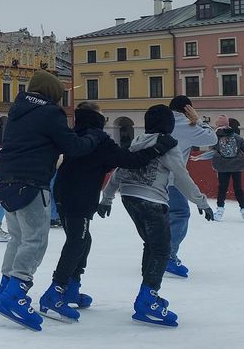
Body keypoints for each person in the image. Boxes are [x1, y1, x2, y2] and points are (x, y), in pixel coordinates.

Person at [0, 69, 103, 331]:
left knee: (18, 238)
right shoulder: (51, 113)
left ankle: (4, 288)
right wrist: (93, 137)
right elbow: (72, 146)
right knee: (35, 240)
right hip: (32, 183)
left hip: (6, 182)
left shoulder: (16, 112)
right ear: (52, 93)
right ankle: (16, 294)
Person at [44, 102, 176, 320]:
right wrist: (159, 147)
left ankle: (71, 287)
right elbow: (130, 161)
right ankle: (56, 291)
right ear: (95, 117)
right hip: (80, 196)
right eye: (103, 117)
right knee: (78, 241)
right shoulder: (99, 139)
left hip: (63, 193)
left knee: (82, 241)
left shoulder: (77, 135)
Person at [99, 105, 214, 326]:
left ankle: (147, 293)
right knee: (161, 249)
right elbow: (181, 176)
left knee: (151, 245)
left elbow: (120, 169)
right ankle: (147, 299)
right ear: (168, 125)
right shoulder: (169, 145)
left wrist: (107, 197)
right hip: (152, 200)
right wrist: (201, 201)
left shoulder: (138, 140)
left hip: (129, 196)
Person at [165, 96, 217, 278]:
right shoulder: (187, 125)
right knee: (180, 214)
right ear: (188, 109)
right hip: (171, 179)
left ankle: (154, 253)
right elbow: (212, 138)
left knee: (161, 217)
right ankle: (167, 256)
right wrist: (198, 119)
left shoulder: (161, 120)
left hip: (148, 179)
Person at [210, 114, 244, 220]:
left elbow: (212, 151)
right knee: (238, 189)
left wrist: (199, 157)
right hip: (237, 166)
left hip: (222, 167)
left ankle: (219, 211)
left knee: (222, 189)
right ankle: (243, 210)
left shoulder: (215, 137)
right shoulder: (237, 137)